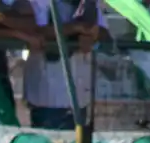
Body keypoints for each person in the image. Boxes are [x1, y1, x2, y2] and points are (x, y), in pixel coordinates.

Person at [21, 0, 107, 131]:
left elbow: (103, 31)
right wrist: (76, 28)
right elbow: (35, 30)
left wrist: (94, 34)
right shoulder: (39, 2)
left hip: (80, 97)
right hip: (48, 96)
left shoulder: (88, 3)